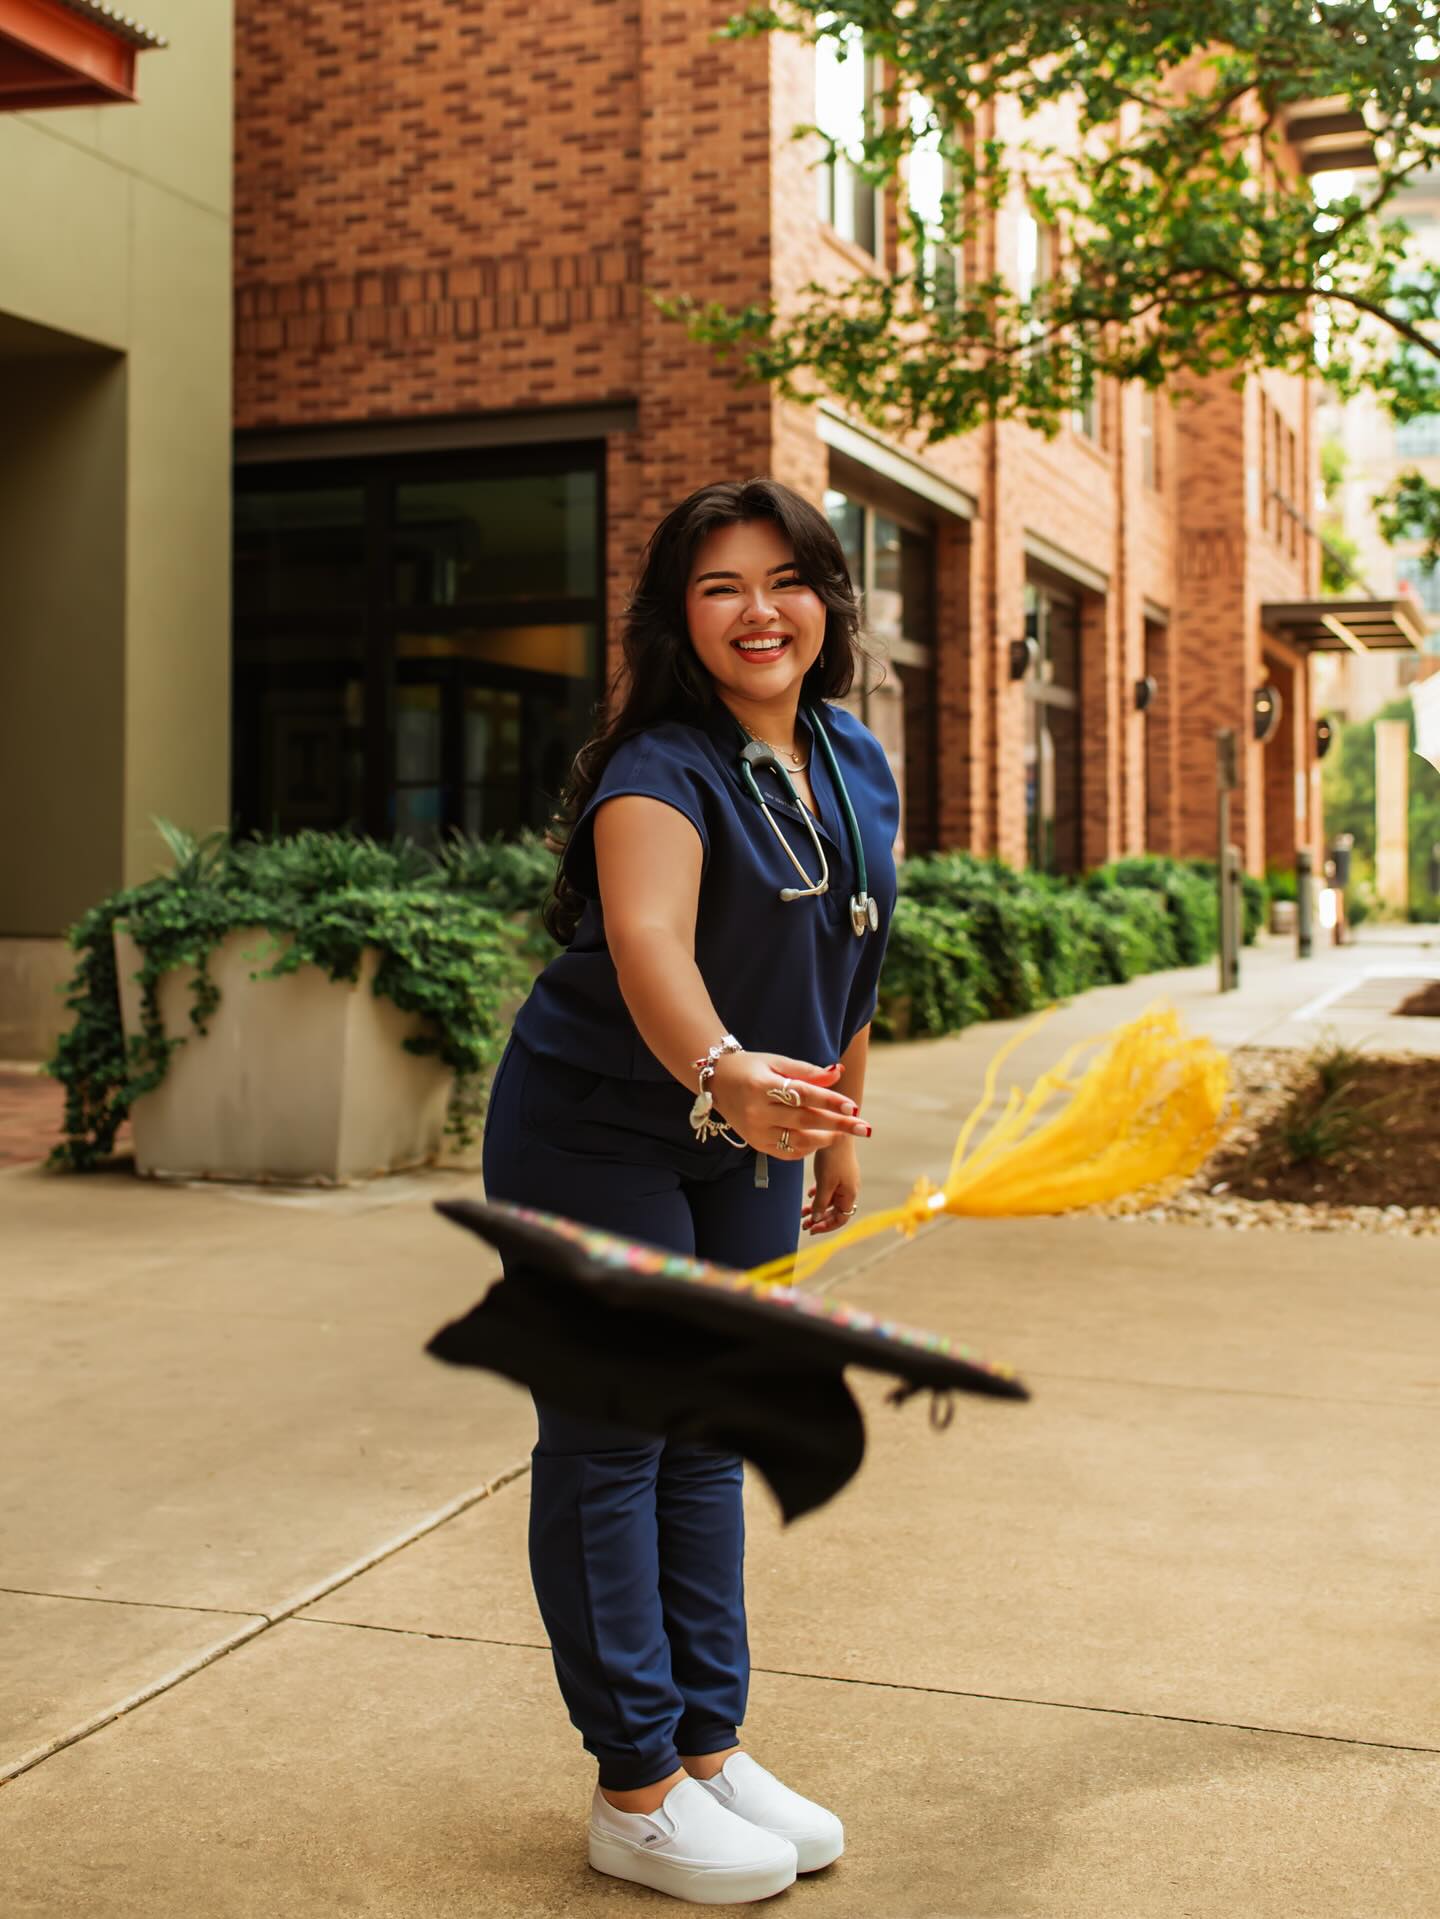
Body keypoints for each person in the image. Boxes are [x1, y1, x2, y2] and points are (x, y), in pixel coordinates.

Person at [481, 476, 899, 1904]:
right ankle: (637, 1786)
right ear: (679, 618)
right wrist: (726, 1072)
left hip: (752, 1133)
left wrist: (837, 1113)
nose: (758, 610)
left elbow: (857, 943)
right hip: (598, 1127)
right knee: (613, 1443)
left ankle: (711, 1750)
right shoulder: (657, 767)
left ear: (826, 601)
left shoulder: (853, 757)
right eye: (720, 587)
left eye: (784, 579)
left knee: (711, 1434)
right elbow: (653, 943)